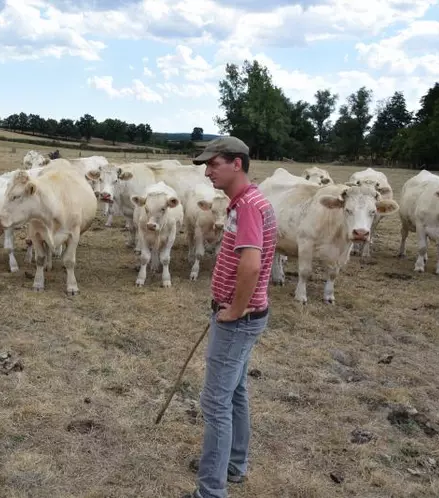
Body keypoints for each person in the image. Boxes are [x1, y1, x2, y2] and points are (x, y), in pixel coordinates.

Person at [186, 137, 277, 498]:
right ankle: (234, 465)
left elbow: (251, 264)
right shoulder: (250, 201)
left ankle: (211, 492)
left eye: (214, 164)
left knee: (215, 403)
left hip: (239, 320)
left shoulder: (248, 207)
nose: (208, 171)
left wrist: (235, 309)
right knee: (235, 392)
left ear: (237, 164)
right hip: (247, 317)